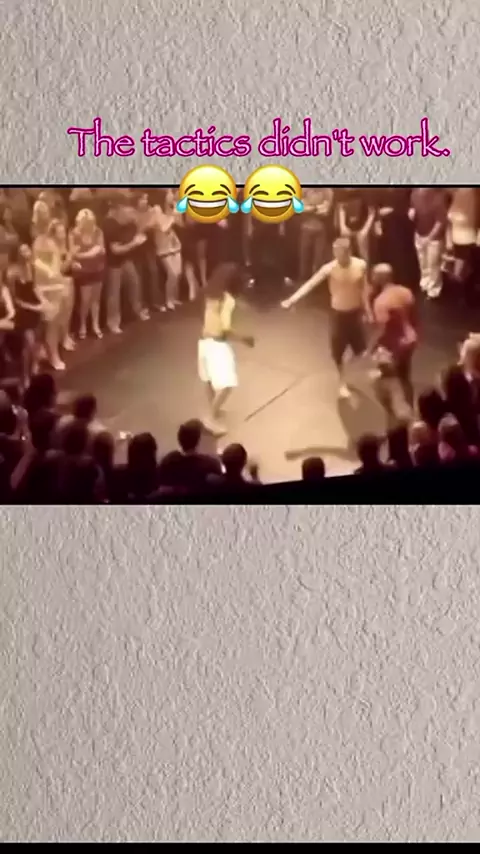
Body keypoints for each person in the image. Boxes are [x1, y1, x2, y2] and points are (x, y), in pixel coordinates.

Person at [281, 238, 369, 399]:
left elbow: (364, 289)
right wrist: (292, 299)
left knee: (361, 352)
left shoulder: (360, 265)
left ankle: (348, 366)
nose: (337, 256)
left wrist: (368, 310)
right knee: (337, 352)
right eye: (335, 253)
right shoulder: (329, 268)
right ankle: (342, 382)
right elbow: (310, 284)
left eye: (340, 253)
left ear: (348, 252)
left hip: (355, 313)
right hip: (338, 314)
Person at [198, 262, 254, 435]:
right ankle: (210, 417)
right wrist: (244, 338)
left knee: (208, 379)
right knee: (228, 384)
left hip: (203, 342)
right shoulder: (227, 299)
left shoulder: (210, 295)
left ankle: (213, 410)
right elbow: (225, 327)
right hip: (217, 344)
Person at [367, 263, 418, 420]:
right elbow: (414, 317)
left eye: (374, 276)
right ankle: (410, 407)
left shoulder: (381, 301)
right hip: (410, 341)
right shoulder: (406, 292)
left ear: (380, 279)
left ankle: (391, 412)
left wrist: (371, 347)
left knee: (382, 380)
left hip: (392, 346)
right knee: (405, 376)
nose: (371, 278)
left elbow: (381, 329)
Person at [103, 197, 149, 334]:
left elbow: (136, 225)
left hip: (125, 260)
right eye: (124, 209)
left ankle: (137, 310)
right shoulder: (109, 225)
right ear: (117, 209)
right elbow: (115, 250)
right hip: (113, 264)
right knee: (114, 294)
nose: (127, 212)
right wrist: (134, 243)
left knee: (135, 283)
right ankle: (113, 322)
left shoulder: (122, 221)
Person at [7, 244, 49, 384]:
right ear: (17, 254)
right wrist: (34, 307)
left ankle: (34, 368)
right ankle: (25, 375)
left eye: (27, 249)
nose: (27, 252)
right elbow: (15, 299)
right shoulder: (12, 272)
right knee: (28, 345)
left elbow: (34, 287)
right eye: (23, 251)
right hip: (23, 310)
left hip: (34, 307)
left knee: (36, 342)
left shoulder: (31, 267)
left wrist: (43, 301)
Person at [69, 208, 106, 339]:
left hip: (98, 268)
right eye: (84, 221)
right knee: (85, 300)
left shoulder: (98, 231)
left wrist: (84, 254)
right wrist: (89, 254)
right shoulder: (73, 234)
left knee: (96, 299)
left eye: (89, 221)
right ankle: (82, 325)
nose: (87, 224)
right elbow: (73, 254)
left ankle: (95, 324)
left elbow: (101, 249)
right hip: (83, 271)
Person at [409, 188, 447, 299]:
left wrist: (430, 237)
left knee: (433, 264)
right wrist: (412, 211)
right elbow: (413, 207)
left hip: (434, 238)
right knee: (422, 261)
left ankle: (434, 289)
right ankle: (425, 283)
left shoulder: (438, 198)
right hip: (419, 233)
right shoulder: (414, 194)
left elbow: (441, 222)